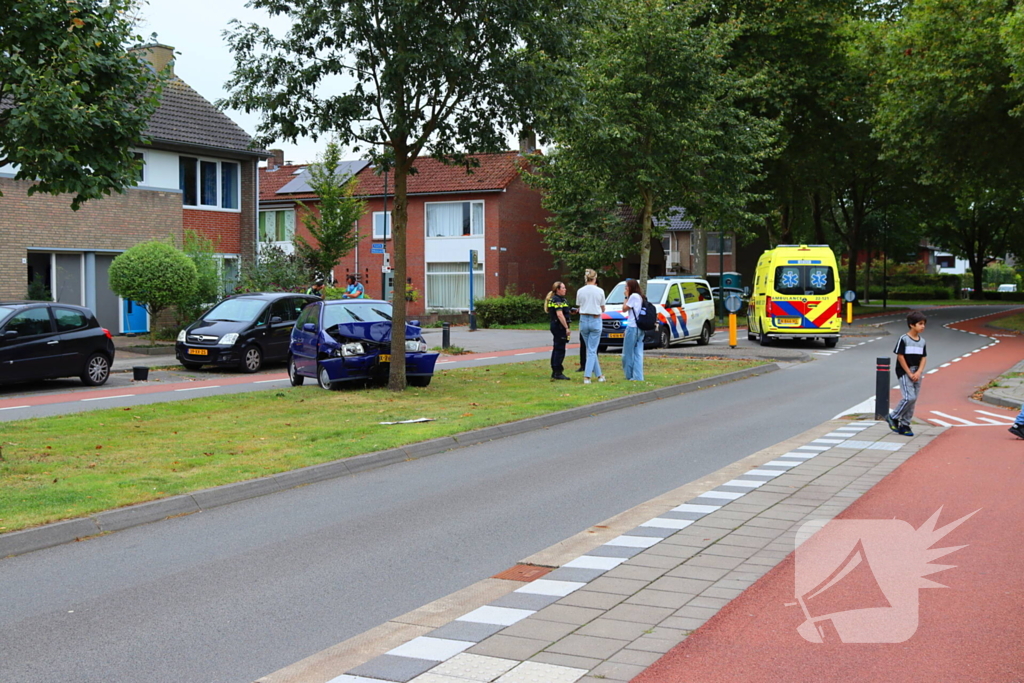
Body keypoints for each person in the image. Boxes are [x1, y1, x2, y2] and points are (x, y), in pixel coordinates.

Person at [887, 311, 927, 437]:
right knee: (909, 397)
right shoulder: (903, 339)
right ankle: (893, 416)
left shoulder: (922, 341)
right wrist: (909, 372)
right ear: (911, 325)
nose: (923, 326)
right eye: (920, 324)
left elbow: (924, 357)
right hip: (905, 372)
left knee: (913, 400)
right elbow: (900, 356)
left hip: (916, 371)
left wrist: (919, 371)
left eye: (924, 324)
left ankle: (905, 425)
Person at [575, 269, 606, 384]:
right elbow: (602, 306)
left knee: (590, 349)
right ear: (595, 278)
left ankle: (600, 375)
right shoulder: (600, 291)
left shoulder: (580, 291)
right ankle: (587, 376)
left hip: (583, 319)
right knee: (592, 350)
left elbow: (579, 304)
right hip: (595, 319)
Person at [544, 281, 571, 380]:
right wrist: (566, 327)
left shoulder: (559, 299)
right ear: (557, 289)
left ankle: (556, 370)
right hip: (559, 326)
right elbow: (560, 314)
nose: (565, 289)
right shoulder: (557, 300)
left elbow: (564, 311)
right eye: (563, 288)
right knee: (560, 349)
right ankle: (557, 372)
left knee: (557, 347)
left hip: (556, 325)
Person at [621, 278, 645, 381]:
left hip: (632, 327)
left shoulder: (633, 296)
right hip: (639, 328)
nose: (625, 288)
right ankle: (638, 376)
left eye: (626, 286)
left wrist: (626, 296)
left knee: (627, 353)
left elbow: (624, 308)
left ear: (630, 287)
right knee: (638, 353)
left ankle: (629, 375)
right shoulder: (639, 297)